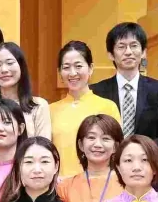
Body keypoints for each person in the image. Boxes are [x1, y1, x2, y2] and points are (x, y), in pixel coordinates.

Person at [49, 41, 121, 177]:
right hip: (59, 188)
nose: (72, 73)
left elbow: (116, 152)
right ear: (59, 72)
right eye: (66, 67)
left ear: (90, 68)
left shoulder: (107, 107)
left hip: (98, 185)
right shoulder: (49, 110)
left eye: (78, 66)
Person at [90, 22, 158, 139]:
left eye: (134, 45)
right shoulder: (96, 92)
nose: (128, 52)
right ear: (111, 55)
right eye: (121, 47)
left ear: (144, 52)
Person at [0, 41, 52, 140]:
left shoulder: (38, 106)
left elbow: (44, 148)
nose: (4, 69)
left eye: (10, 63)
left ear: (21, 66)